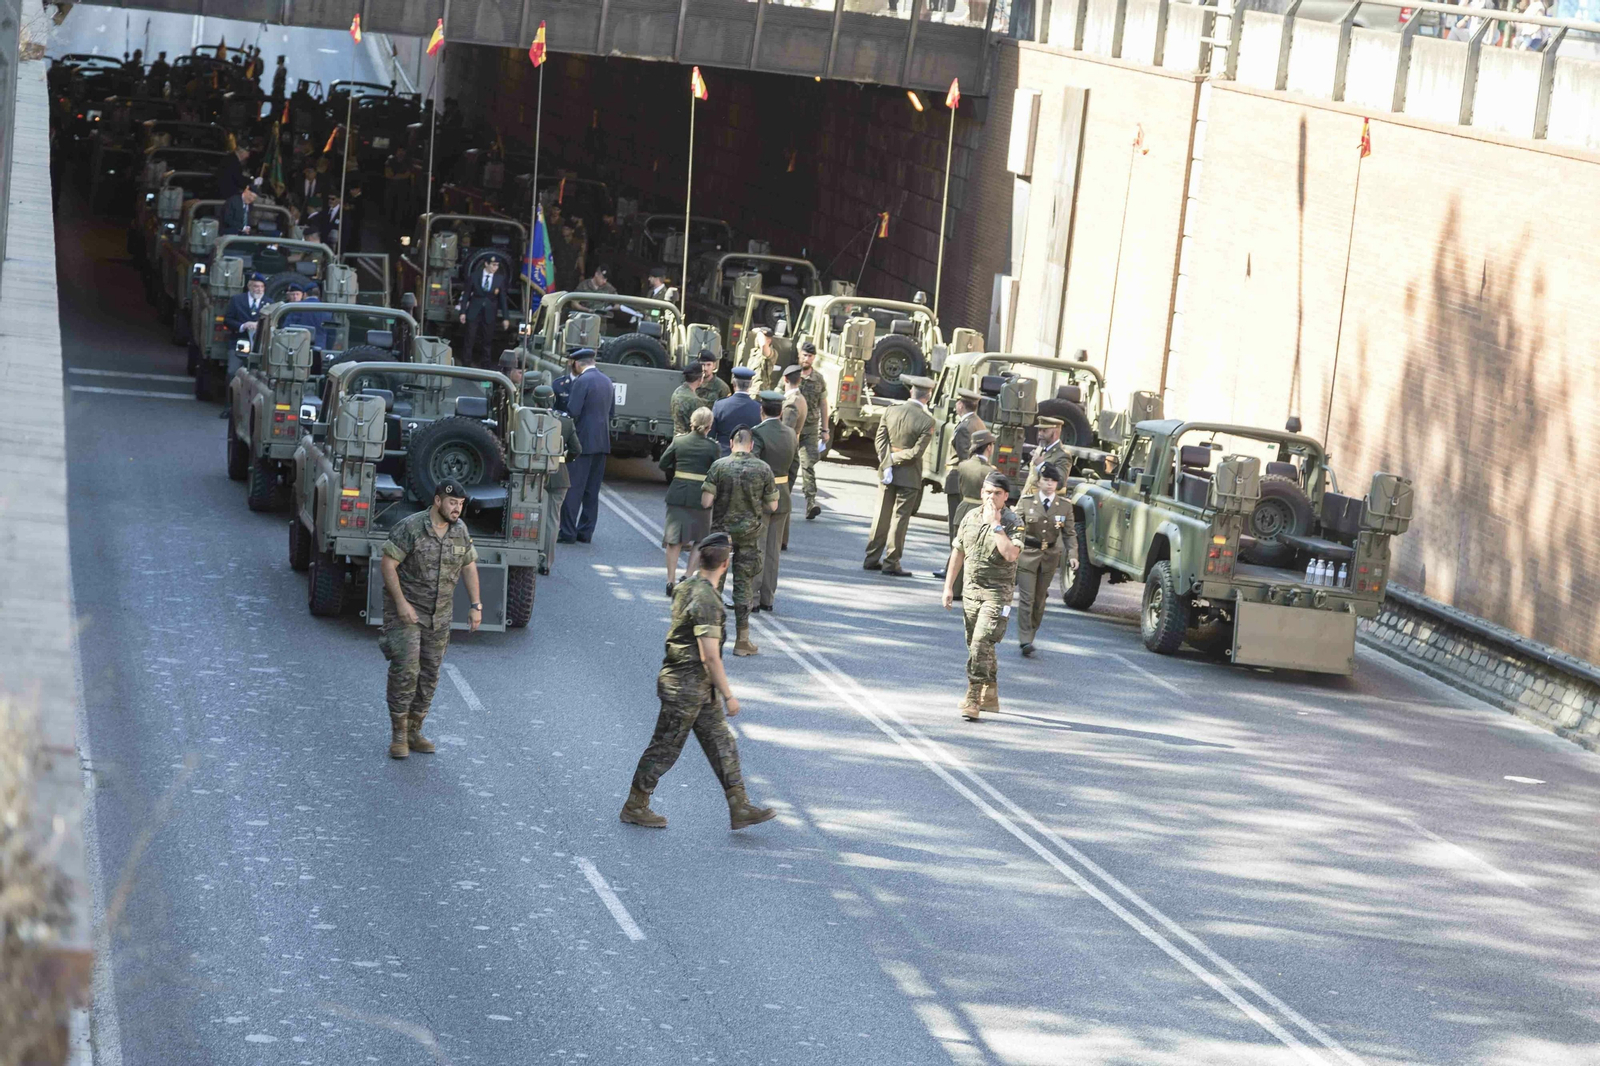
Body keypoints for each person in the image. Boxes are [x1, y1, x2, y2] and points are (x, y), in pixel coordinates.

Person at [618, 532, 777, 831]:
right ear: (726, 564)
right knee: (665, 748)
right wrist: (729, 695)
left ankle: (739, 806)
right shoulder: (706, 600)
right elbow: (710, 657)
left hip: (698, 688)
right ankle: (635, 805)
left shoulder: (688, 585)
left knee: (722, 743)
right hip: (685, 686)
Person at [378, 480, 482, 758]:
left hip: (439, 616)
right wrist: (400, 604)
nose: (457, 509)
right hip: (407, 613)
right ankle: (398, 734)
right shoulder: (412, 527)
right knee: (406, 670)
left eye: (460, 504)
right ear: (438, 501)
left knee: (429, 674)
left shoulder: (460, 531)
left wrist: (476, 605)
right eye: (452, 503)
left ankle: (414, 730)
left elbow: (469, 566)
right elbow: (388, 564)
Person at [942, 471, 1022, 721]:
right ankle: (991, 694)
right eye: (987, 492)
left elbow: (1010, 554)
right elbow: (958, 553)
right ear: (981, 493)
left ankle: (974, 697)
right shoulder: (970, 517)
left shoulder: (1012, 522)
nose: (991, 497)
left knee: (980, 643)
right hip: (971, 591)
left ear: (1006, 496)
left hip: (997, 594)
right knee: (977, 644)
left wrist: (995, 524)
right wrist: (948, 587)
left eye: (997, 493)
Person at [702, 428, 778, 656]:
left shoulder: (719, 466)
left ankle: (711, 638)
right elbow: (773, 506)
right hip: (749, 536)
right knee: (744, 586)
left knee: (714, 585)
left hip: (720, 536)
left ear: (732, 443)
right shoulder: (763, 469)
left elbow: (706, 501)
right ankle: (742, 641)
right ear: (752, 445)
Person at [864, 376, 937, 577]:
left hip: (887, 471)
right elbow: (916, 453)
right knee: (899, 519)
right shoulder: (927, 420)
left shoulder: (891, 410)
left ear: (911, 392)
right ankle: (891, 561)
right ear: (928, 396)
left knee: (881, 515)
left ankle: (871, 558)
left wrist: (887, 461)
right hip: (909, 475)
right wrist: (896, 457)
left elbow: (880, 440)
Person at [1013, 463, 1074, 658]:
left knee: (1039, 600)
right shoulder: (1027, 502)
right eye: (1046, 480)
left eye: (1053, 481)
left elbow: (1069, 534)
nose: (1049, 484)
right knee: (1027, 597)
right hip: (1028, 555)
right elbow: (1015, 526)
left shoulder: (1064, 506)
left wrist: (1073, 555)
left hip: (1049, 558)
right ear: (1038, 482)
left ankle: (1031, 631)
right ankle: (1025, 639)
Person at [658, 406, 719, 596]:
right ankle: (687, 576)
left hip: (678, 493)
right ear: (709, 425)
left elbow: (662, 463)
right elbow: (716, 472)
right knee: (699, 539)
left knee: (674, 540)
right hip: (700, 497)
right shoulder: (713, 447)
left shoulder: (679, 441)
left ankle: (670, 580)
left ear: (692, 422)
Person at [750, 391, 799, 613]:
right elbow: (794, 467)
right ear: (781, 412)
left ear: (762, 410)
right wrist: (784, 487)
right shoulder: (790, 434)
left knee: (757, 548)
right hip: (783, 494)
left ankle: (751, 597)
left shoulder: (756, 433)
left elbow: (755, 467)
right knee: (773, 551)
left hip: (761, 496)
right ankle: (767, 598)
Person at [559, 348, 613, 543]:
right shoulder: (607, 381)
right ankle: (585, 532)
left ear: (577, 363)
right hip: (602, 443)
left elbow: (573, 410)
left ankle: (567, 532)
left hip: (582, 442)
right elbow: (612, 412)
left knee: (573, 488)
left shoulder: (582, 381)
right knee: (592, 491)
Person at [528, 382, 579, 574]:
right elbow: (577, 449)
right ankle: (546, 564)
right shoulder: (565, 421)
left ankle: (529, 558)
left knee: (532, 517)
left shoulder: (526, 417)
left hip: (532, 474)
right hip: (558, 475)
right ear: (553, 399)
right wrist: (564, 459)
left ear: (535, 400)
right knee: (552, 520)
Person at [938, 429, 995, 595]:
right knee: (979, 552)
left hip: (963, 508)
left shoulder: (963, 466)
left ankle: (954, 588)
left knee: (959, 549)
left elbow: (961, 489)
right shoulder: (991, 471)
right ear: (989, 447)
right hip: (981, 510)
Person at [795, 341, 829, 519]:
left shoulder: (819, 379)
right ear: (799, 355)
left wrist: (825, 429)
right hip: (791, 428)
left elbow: (823, 404)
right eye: (804, 355)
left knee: (807, 465)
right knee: (787, 465)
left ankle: (811, 503)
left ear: (814, 358)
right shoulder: (791, 375)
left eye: (810, 356)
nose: (806, 358)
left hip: (809, 428)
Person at [944, 389, 986, 532]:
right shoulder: (978, 422)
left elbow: (964, 458)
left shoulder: (964, 427)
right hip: (970, 480)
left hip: (959, 480)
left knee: (956, 524)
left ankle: (955, 555)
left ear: (961, 405)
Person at [457, 256, 509, 368]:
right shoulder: (475, 276)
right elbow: (466, 295)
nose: (495, 268)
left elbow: (503, 299)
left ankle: (486, 364)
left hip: (490, 312)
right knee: (470, 337)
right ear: (486, 264)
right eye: (493, 265)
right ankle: (466, 362)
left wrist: (506, 317)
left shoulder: (499, 279)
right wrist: (462, 312)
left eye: (497, 265)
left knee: (487, 339)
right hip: (474, 311)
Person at [711, 365, 762, 455]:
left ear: (734, 384)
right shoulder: (758, 408)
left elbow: (711, 435)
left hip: (723, 456)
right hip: (748, 458)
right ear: (750, 385)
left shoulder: (719, 405)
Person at [1022, 416, 1067, 497]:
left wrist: (1041, 466)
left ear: (1055, 433)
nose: (1040, 434)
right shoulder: (1040, 448)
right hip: (1030, 501)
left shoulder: (1062, 455)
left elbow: (1059, 483)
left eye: (1044, 431)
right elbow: (1031, 480)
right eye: (1039, 430)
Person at [671, 363, 708, 437]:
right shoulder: (695, 400)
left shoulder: (677, 391)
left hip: (676, 438)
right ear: (700, 378)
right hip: (689, 440)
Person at [383, 147, 415, 225]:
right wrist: (399, 176)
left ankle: (399, 224)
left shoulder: (408, 162)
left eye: (403, 150)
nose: (401, 152)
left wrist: (396, 176)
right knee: (389, 206)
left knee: (401, 207)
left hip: (403, 188)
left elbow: (407, 175)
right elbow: (388, 174)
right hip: (391, 187)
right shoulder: (390, 161)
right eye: (399, 150)